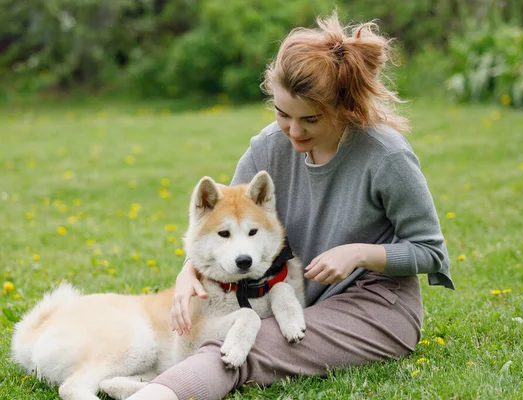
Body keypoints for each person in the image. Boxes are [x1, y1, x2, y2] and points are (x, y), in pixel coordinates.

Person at [128, 12, 454, 400]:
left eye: (310, 119)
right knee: (239, 331)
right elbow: (223, 223)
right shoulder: (267, 146)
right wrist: (188, 273)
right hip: (290, 297)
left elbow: (431, 251)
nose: (293, 132)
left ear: (344, 107)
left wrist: (358, 254)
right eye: (283, 114)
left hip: (375, 307)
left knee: (247, 346)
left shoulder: (386, 157)